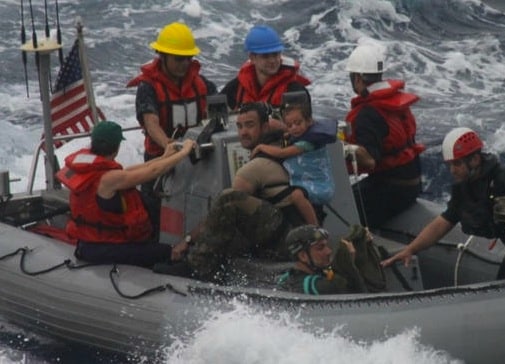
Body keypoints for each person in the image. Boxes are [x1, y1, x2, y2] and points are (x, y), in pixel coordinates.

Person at [381, 127, 505, 279]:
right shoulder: (463, 188)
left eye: (457, 164)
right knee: (501, 290)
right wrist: (410, 249)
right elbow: (442, 224)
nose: (453, 170)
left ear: (475, 159)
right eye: (450, 165)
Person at [178, 102, 316, 282]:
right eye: (240, 126)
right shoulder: (287, 145)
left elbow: (222, 210)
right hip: (302, 233)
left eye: (250, 125)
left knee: (228, 199)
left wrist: (187, 240)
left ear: (265, 127)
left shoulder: (254, 168)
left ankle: (197, 268)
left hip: (286, 241)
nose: (243, 132)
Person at [56, 121, 197, 268]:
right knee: (168, 252)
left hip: (91, 242)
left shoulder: (97, 172)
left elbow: (138, 169)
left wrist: (165, 157)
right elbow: (153, 172)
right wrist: (184, 152)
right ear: (116, 148)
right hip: (106, 247)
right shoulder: (109, 179)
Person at [126, 21, 217, 240]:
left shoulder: (203, 84)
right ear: (162, 56)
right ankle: (157, 252)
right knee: (155, 213)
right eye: (178, 58)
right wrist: (169, 146)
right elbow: (151, 123)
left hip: (196, 158)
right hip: (160, 160)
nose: (184, 64)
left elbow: (220, 114)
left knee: (198, 207)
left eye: (188, 58)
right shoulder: (148, 87)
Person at [343, 43, 425, 228]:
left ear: (356, 78)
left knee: (340, 212)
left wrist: (344, 149)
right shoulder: (391, 102)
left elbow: (370, 160)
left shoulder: (367, 114)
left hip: (392, 189)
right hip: (412, 184)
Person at [251, 102, 336, 223]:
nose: (294, 128)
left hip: (319, 186)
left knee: (296, 196)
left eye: (298, 123)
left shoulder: (306, 143)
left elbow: (282, 153)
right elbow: (289, 135)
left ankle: (315, 229)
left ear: (309, 121)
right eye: (290, 125)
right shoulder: (302, 135)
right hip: (309, 182)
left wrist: (261, 147)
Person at [219, 25, 311, 116]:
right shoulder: (236, 87)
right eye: (265, 56)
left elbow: (301, 127)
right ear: (252, 58)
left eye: (275, 54)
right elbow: (215, 120)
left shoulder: (294, 90)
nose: (272, 61)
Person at [277, 224, 386, 295]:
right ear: (303, 256)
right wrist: (347, 260)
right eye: (320, 248)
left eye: (327, 246)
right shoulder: (308, 285)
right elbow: (352, 293)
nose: (328, 251)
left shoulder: (319, 273)